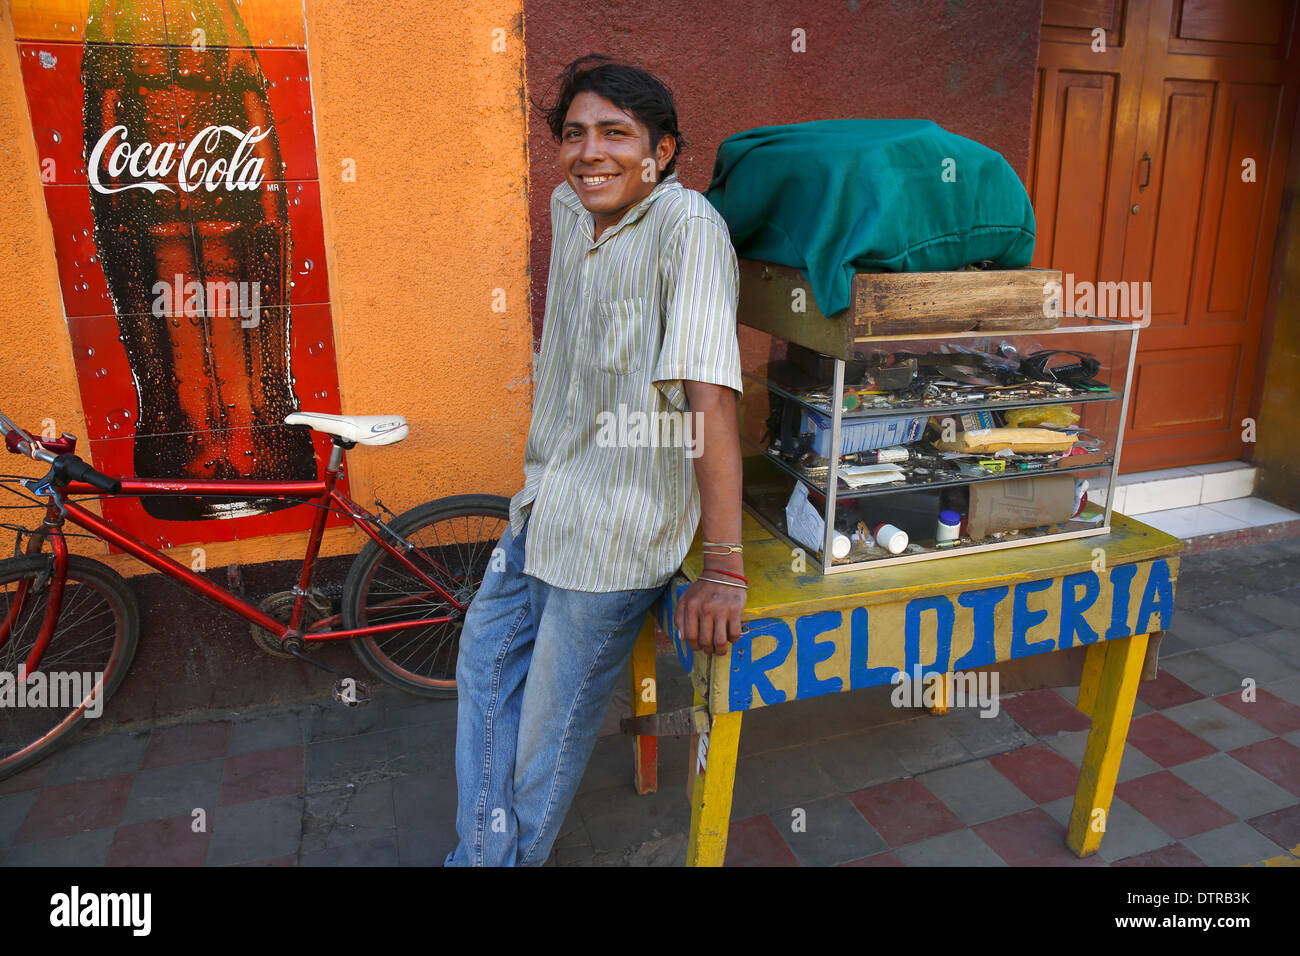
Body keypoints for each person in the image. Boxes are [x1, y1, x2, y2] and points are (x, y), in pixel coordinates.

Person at [443, 54, 748, 867]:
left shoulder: (691, 233)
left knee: (549, 727)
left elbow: (710, 403)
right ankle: (483, 856)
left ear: (664, 149)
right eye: (575, 134)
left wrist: (724, 567)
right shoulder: (570, 209)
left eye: (616, 134)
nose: (591, 153)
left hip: (619, 530)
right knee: (483, 669)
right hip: (547, 503)